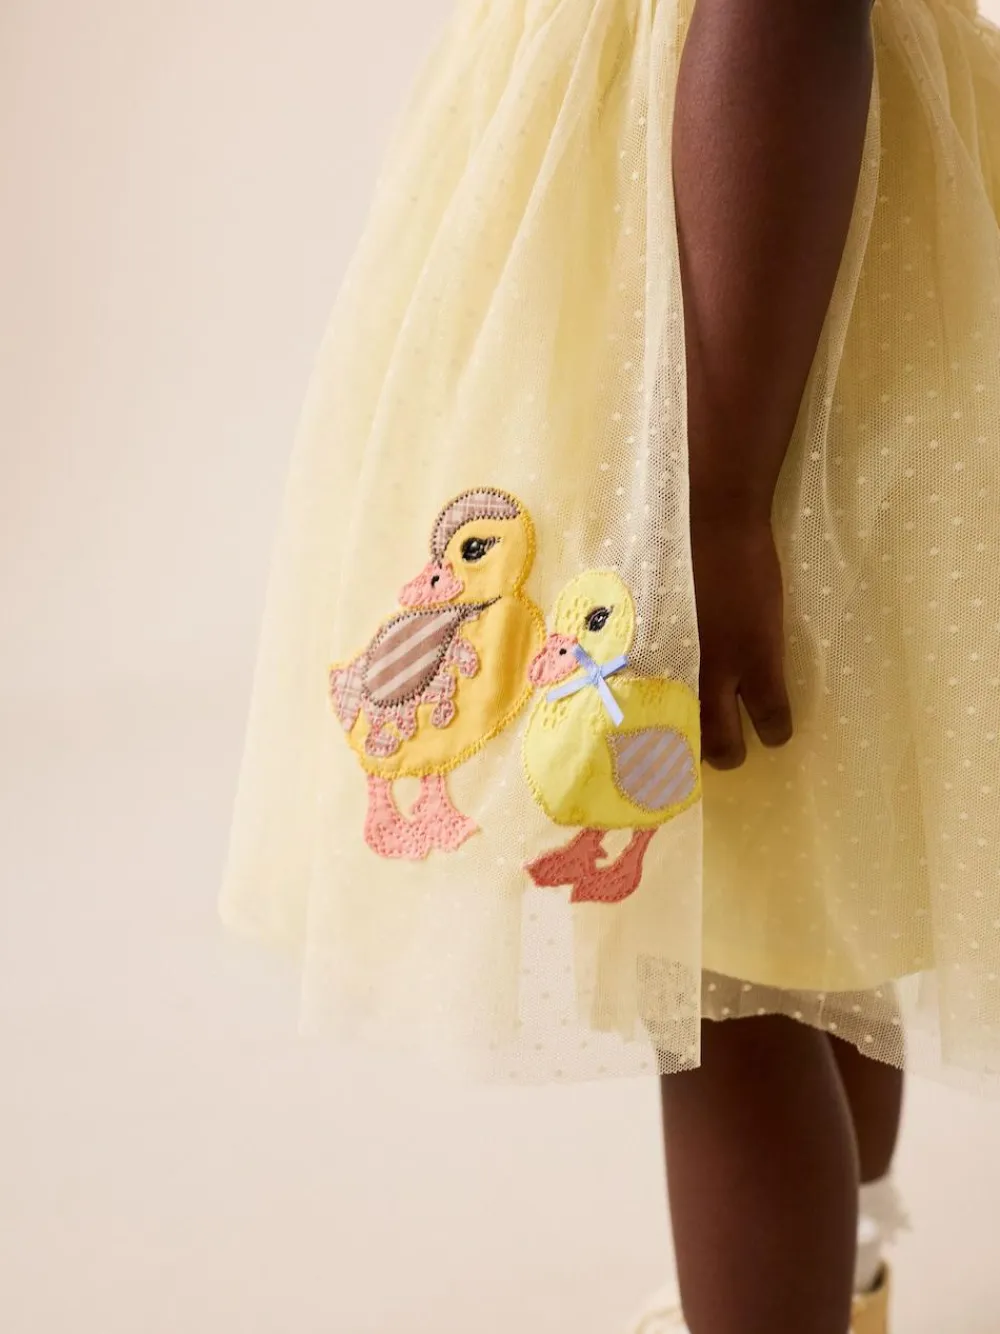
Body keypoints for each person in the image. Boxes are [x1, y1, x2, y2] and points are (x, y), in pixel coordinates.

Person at [221, 1, 1000, 1330]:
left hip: (725, 292)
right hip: (798, 237)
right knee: (803, 861)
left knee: (717, 968)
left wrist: (719, 496)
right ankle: (846, 1268)